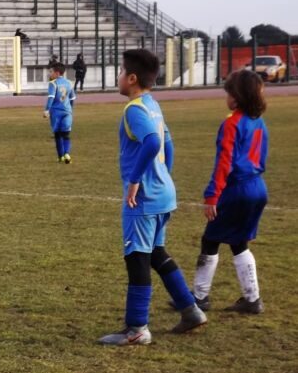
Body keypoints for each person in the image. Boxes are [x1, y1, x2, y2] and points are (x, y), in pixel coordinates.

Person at [98, 49, 207, 346]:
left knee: (137, 257)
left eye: (121, 71)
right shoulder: (152, 105)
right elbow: (168, 146)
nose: (118, 76)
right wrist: (164, 176)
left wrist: (136, 180)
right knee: (156, 254)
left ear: (131, 78)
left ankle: (136, 329)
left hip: (143, 199)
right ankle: (190, 310)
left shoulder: (134, 109)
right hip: (162, 194)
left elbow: (154, 142)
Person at [191, 70, 268, 315]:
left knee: (210, 239)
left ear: (237, 96)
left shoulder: (232, 123)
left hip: (237, 188)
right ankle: (252, 298)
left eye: (229, 92)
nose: (227, 97)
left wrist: (212, 196)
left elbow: (224, 162)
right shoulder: (259, 122)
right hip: (257, 186)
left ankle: (199, 297)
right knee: (238, 242)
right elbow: (262, 157)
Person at [43, 62, 76, 163]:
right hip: (67, 112)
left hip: (56, 113)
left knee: (57, 135)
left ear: (57, 73)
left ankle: (60, 156)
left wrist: (47, 110)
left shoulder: (53, 83)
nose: (50, 74)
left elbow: (51, 98)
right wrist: (70, 109)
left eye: (51, 72)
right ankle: (67, 153)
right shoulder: (70, 83)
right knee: (66, 135)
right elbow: (73, 98)